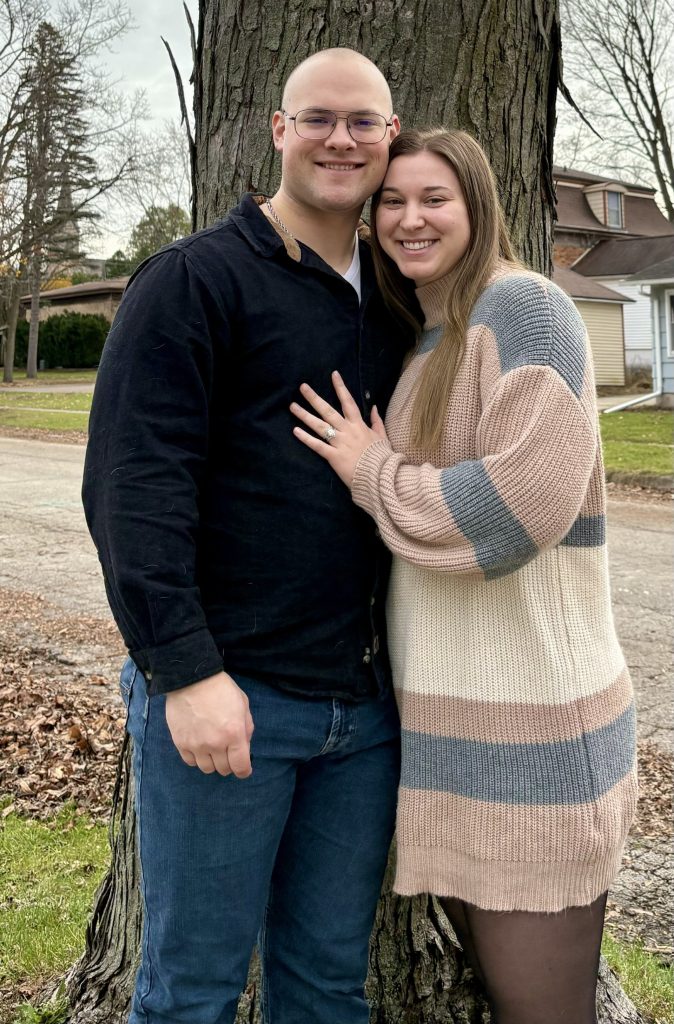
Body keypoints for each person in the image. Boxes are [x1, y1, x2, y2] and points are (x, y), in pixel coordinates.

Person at [82, 48, 414, 1024]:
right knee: (191, 992)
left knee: (324, 990)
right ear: (278, 130)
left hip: (362, 721)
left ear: (389, 138)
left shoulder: (396, 302)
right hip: (232, 704)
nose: (340, 138)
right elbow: (131, 492)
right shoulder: (193, 282)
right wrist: (184, 673)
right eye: (317, 118)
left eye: (363, 121)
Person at [291, 128, 638, 1024]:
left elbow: (516, 511)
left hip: (536, 736)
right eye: (391, 203)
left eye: (433, 198)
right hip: (463, 735)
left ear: (479, 205)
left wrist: (371, 471)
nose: (409, 219)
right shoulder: (432, 333)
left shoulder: (523, 309)